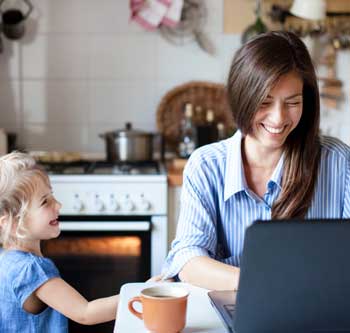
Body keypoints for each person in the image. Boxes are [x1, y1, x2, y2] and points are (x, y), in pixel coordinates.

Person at [160, 31, 350, 291]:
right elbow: (188, 258)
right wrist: (260, 283)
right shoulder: (205, 166)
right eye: (265, 102)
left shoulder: (338, 162)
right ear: (242, 97)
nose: (278, 118)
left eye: (292, 102)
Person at [0, 152, 119, 332]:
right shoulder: (31, 270)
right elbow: (85, 313)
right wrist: (140, 295)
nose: (58, 205)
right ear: (14, 222)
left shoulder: (5, 260)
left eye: (52, 196)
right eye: (44, 202)